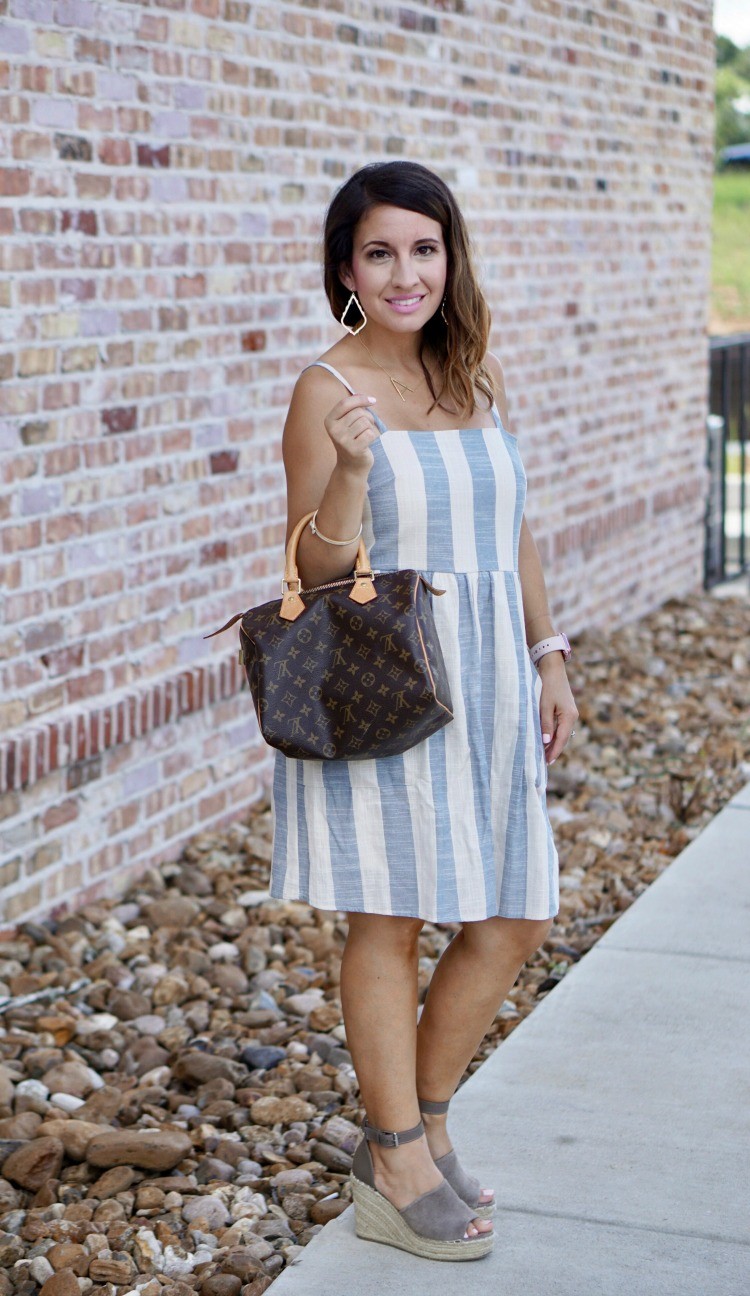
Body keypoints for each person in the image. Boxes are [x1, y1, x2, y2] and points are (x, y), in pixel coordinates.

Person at [268, 160, 578, 1261]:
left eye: (425, 249)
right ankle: (396, 1154)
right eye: (381, 253)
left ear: (451, 257)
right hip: (387, 681)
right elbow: (309, 570)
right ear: (346, 271)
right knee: (390, 916)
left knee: (517, 911)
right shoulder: (327, 388)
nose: (407, 274)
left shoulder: (470, 371)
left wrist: (549, 654)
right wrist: (349, 474)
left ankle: (423, 1122)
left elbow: (517, 528)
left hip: (492, 679)